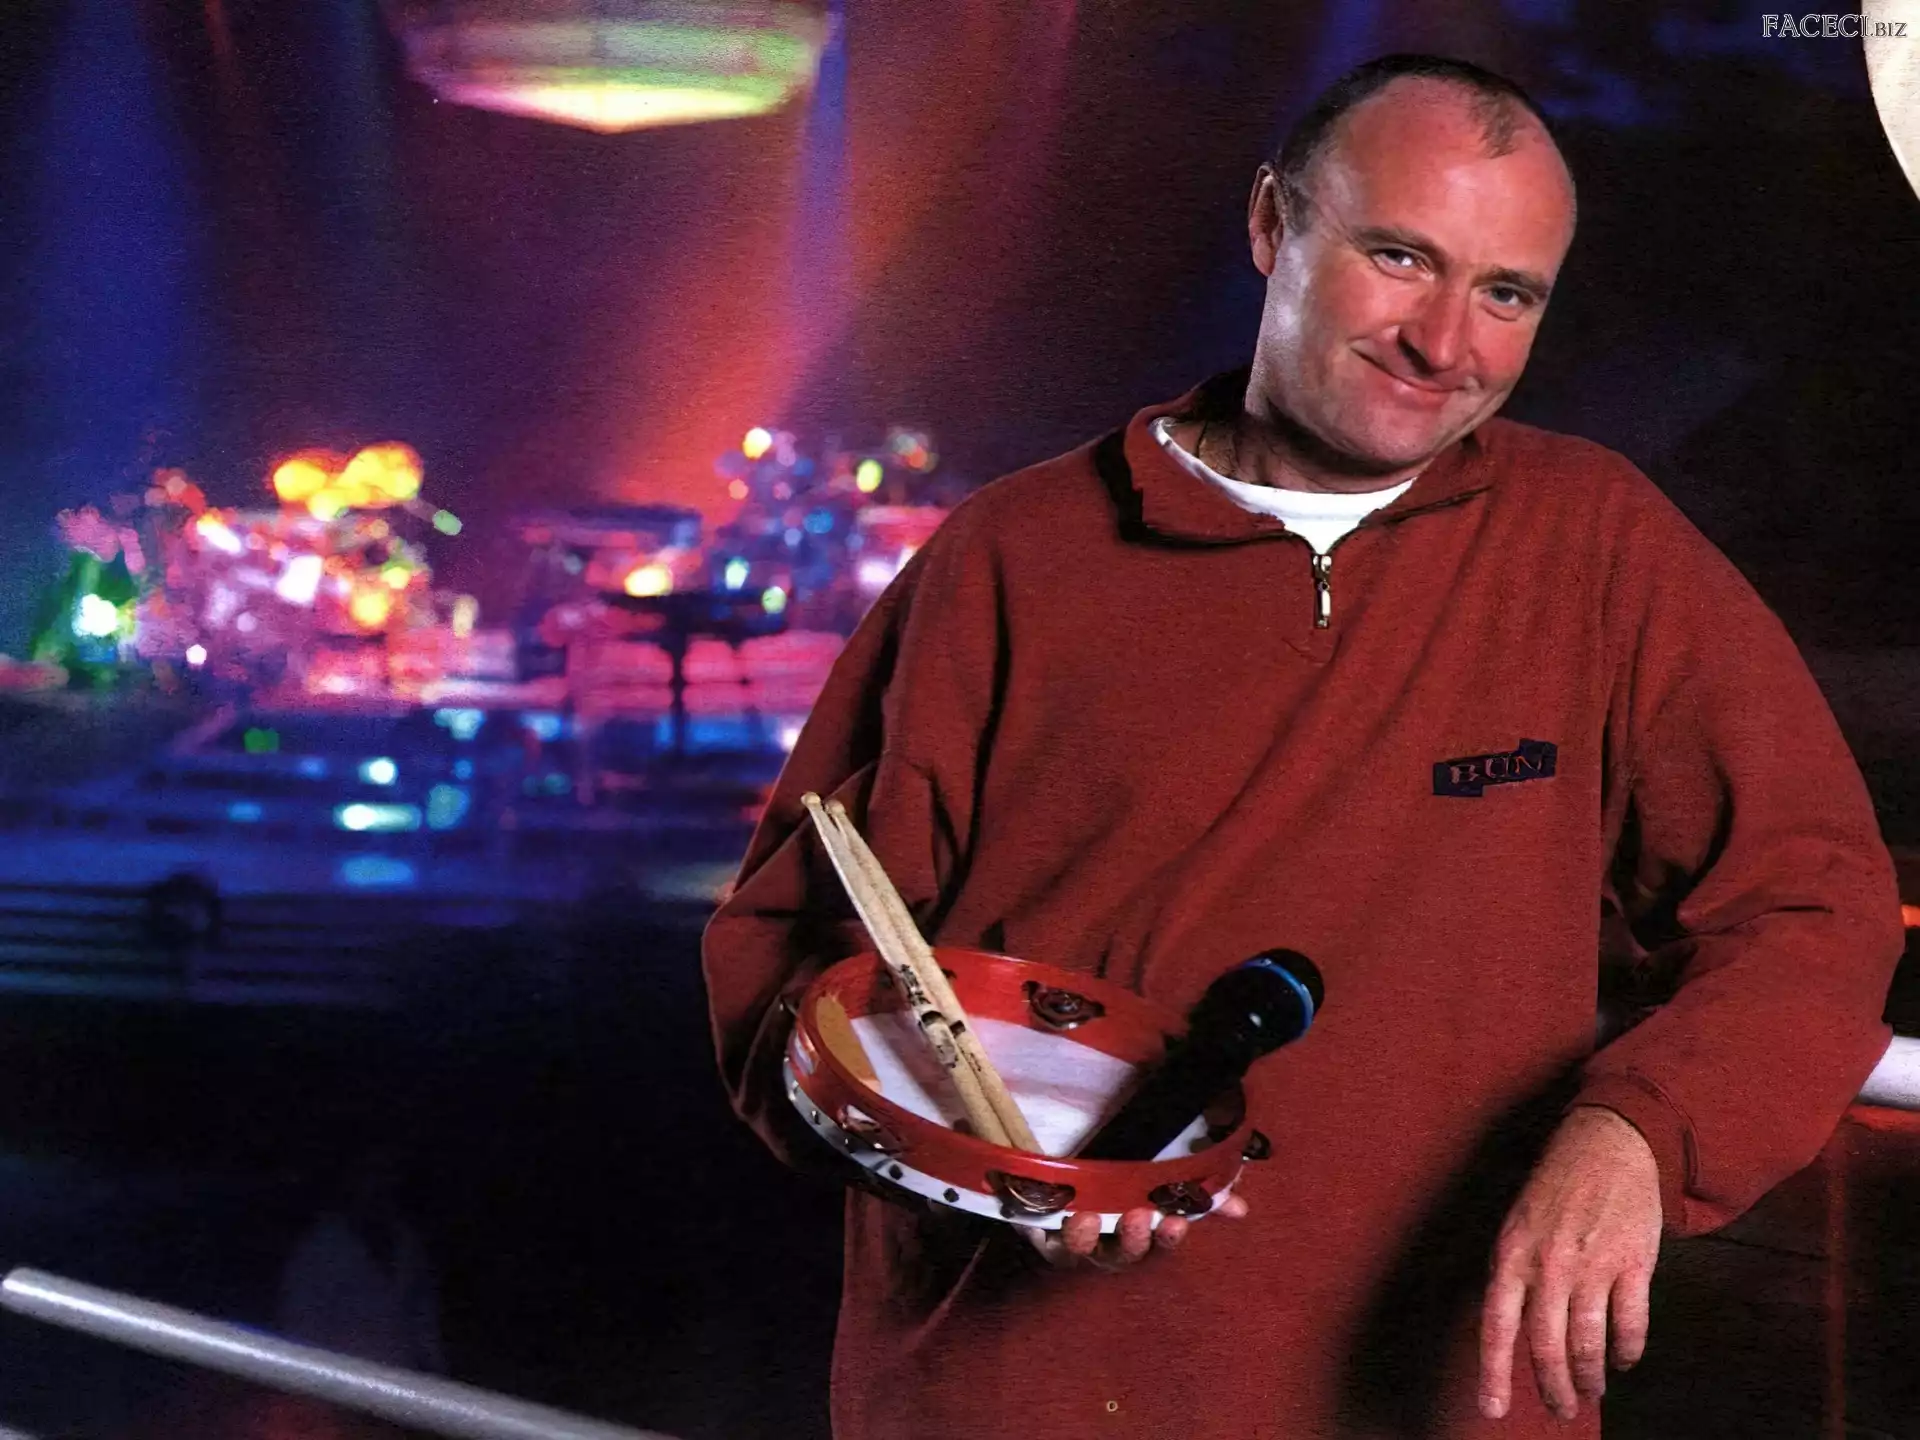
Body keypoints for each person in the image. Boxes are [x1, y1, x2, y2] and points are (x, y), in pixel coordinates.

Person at [701, 53, 1903, 1439]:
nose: (1445, 343)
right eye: (1401, 258)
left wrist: (1638, 1132)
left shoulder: (1596, 546)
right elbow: (791, 963)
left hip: (1437, 1399)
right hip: (1025, 1392)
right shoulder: (1008, 561)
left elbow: (1810, 909)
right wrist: (984, 1159)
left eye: (1507, 294)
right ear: (1274, 222)